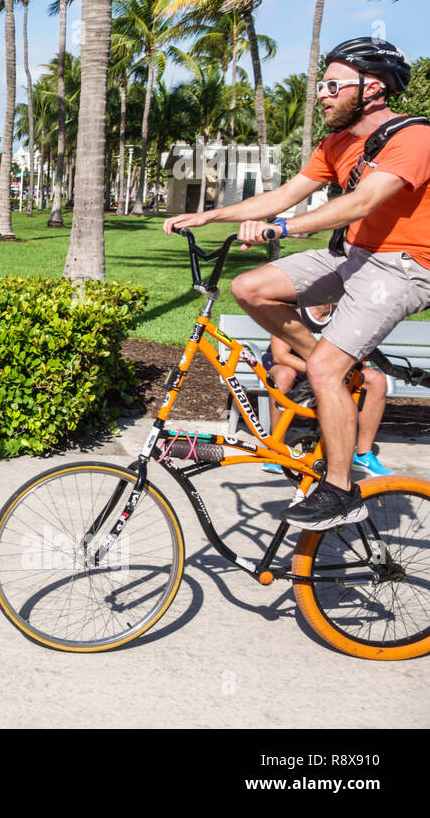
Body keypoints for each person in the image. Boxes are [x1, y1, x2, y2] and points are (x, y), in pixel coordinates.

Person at [165, 36, 430, 530]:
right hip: (354, 256)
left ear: (372, 87)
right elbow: (284, 194)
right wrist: (210, 216)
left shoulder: (414, 138)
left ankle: (340, 488)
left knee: (327, 371)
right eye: (320, 85)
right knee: (250, 289)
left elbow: (361, 203)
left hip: (404, 265)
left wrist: (282, 229)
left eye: (332, 84)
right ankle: (326, 364)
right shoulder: (336, 143)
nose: (322, 94)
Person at [262, 302, 392, 476]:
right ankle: (276, 449)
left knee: (376, 380)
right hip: (290, 364)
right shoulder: (293, 312)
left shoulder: (346, 316)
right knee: (284, 375)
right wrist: (320, 370)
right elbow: (280, 356)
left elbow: (359, 358)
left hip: (328, 369)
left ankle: (363, 454)